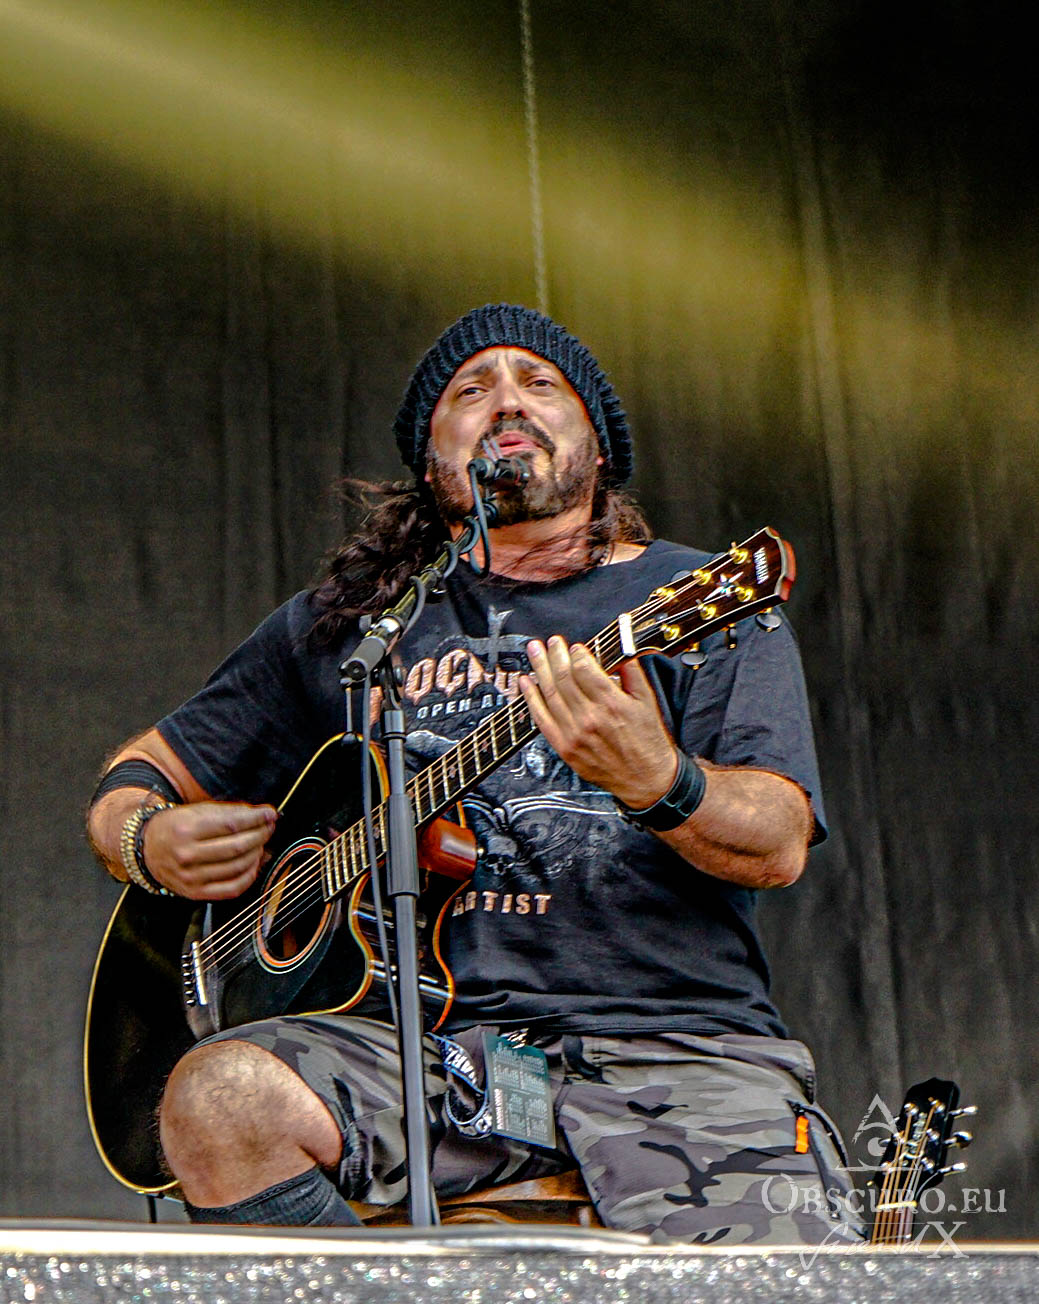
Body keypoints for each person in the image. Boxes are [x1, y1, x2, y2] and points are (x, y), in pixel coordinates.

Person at [87, 303, 863, 1244]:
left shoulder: (698, 601)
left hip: (677, 1047)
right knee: (220, 1097)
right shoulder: (352, 624)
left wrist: (662, 781)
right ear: (432, 464)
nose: (506, 402)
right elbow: (141, 774)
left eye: (540, 384)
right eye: (470, 391)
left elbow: (777, 843)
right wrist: (145, 837)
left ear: (597, 449)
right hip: (420, 1057)